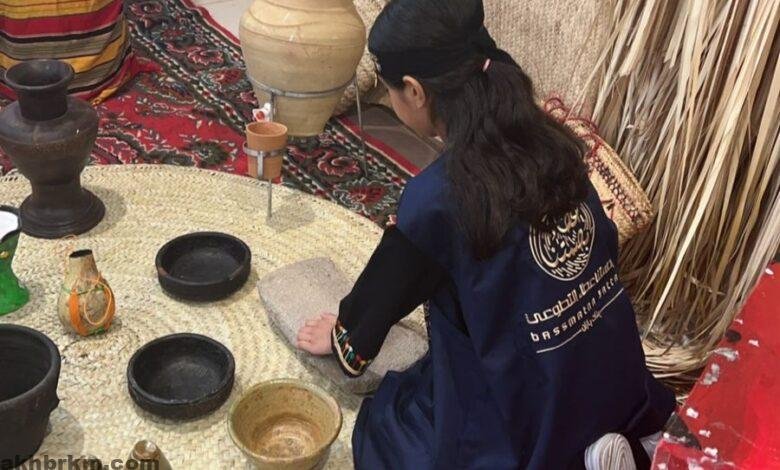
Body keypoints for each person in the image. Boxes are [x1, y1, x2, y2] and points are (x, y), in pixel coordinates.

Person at [296, 1, 676, 468]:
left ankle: (570, 455)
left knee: (386, 428)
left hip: (529, 405)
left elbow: (385, 291)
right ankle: (613, 440)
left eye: (391, 89)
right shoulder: (552, 140)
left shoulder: (439, 198)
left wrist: (345, 338)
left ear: (414, 91)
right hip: (611, 372)